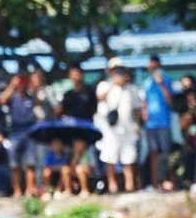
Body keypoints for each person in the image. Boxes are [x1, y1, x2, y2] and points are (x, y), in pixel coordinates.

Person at [94, 62, 141, 194]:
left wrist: (138, 125)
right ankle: (112, 185)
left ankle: (129, 185)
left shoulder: (131, 88)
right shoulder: (104, 85)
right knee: (110, 158)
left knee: (129, 158)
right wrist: (114, 84)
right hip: (110, 130)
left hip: (128, 128)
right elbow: (100, 97)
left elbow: (137, 110)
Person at [1, 71, 42, 197]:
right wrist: (12, 84)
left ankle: (29, 189)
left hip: (29, 133)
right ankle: (17, 190)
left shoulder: (30, 97)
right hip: (15, 133)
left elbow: (39, 102)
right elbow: (2, 100)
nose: (21, 86)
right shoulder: (12, 98)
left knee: (30, 164)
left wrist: (33, 85)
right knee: (14, 165)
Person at [57, 65, 96, 193]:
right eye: (73, 74)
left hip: (88, 131)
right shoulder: (67, 95)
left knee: (83, 161)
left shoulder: (90, 91)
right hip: (72, 132)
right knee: (69, 162)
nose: (76, 76)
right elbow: (61, 112)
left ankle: (84, 188)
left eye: (78, 73)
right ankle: (65, 188)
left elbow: (94, 109)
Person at [141, 56, 176, 192]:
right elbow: (144, 100)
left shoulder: (166, 79)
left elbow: (170, 101)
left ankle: (168, 182)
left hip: (164, 123)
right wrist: (144, 113)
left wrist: (161, 84)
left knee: (166, 153)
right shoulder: (146, 82)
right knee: (153, 154)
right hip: (150, 124)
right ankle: (155, 183)